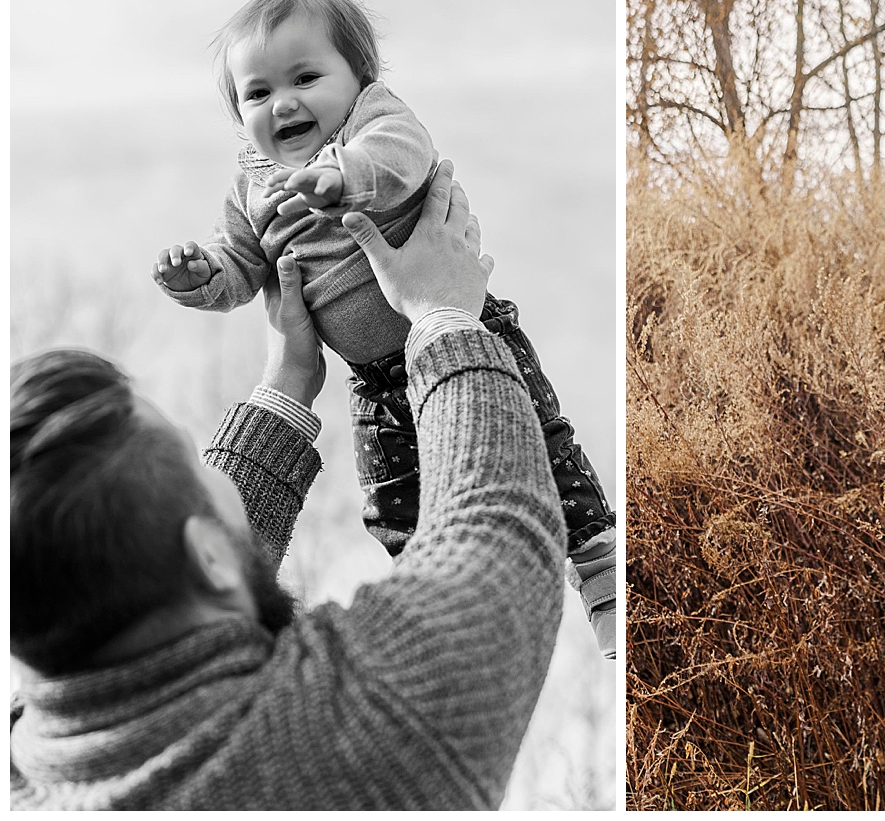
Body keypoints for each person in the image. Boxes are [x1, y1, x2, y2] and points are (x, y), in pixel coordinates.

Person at [10, 166, 568, 810]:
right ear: (211, 558)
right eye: (201, 470)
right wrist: (443, 317)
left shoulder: (28, 769)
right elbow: (498, 525)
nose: (220, 481)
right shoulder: (356, 721)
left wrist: (287, 379)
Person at [151, 0, 617, 654]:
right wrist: (203, 276)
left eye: (306, 76)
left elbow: (405, 159)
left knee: (545, 449)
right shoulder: (250, 181)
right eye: (257, 93)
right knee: (394, 507)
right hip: (373, 379)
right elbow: (241, 262)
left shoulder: (375, 120)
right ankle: (441, 617)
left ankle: (602, 574)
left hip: (469, 328)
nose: (283, 102)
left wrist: (341, 175)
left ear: (359, 76)